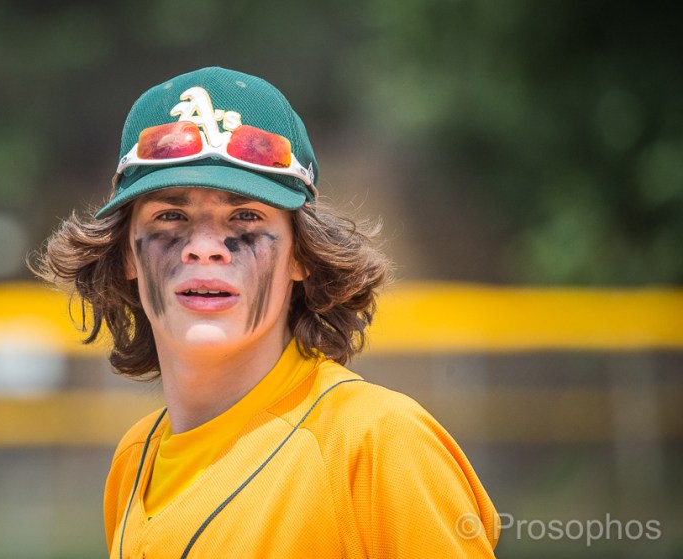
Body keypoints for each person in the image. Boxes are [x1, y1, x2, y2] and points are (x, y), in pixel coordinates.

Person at [33, 67, 499, 558]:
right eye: (170, 216)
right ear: (126, 252)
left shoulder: (375, 442)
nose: (206, 248)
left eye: (247, 217)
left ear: (301, 253)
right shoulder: (134, 461)